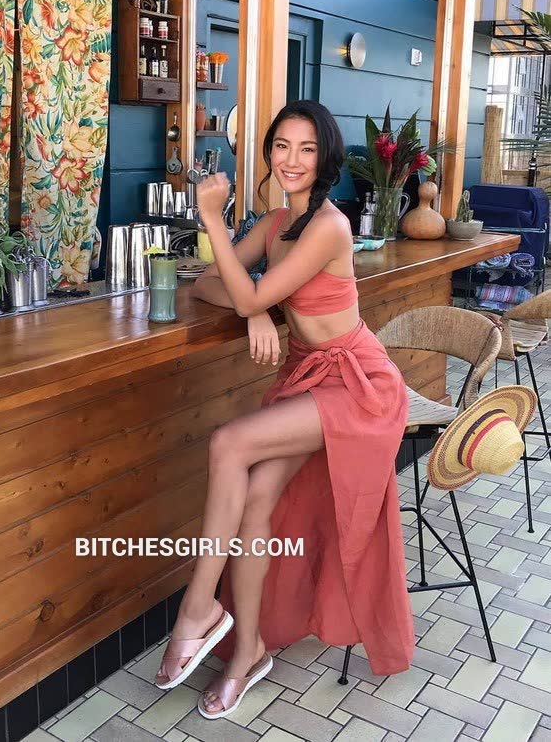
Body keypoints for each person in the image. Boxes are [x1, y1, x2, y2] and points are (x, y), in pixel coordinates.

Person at [154, 100, 414, 718]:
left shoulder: (329, 226)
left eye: (306, 149)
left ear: (324, 158)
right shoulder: (276, 223)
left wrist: (214, 222)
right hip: (306, 376)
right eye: (281, 146)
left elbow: (240, 288)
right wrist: (260, 305)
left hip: (356, 385)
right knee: (255, 502)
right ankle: (247, 651)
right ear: (268, 152)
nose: (292, 160)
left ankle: (198, 608)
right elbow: (208, 283)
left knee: (228, 443)